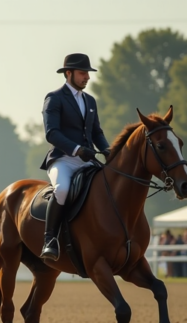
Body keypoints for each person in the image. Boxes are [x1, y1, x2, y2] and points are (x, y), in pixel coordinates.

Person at [39, 53, 110, 260]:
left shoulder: (90, 100)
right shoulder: (55, 98)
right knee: (62, 190)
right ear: (68, 73)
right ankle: (49, 239)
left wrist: (107, 150)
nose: (87, 77)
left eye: (88, 73)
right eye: (82, 73)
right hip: (63, 159)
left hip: (87, 160)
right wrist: (77, 149)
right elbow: (52, 133)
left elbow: (96, 132)